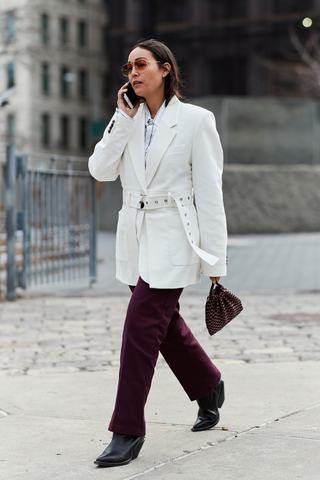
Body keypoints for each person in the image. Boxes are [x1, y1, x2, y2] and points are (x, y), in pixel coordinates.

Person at [88, 38, 227, 468]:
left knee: (140, 328)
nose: (132, 72)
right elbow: (100, 170)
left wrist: (215, 260)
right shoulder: (126, 120)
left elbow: (209, 192)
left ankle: (127, 430)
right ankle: (208, 385)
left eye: (141, 64)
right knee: (164, 327)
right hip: (134, 236)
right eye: (128, 66)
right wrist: (122, 120)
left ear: (165, 69)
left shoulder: (196, 120)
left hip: (174, 238)